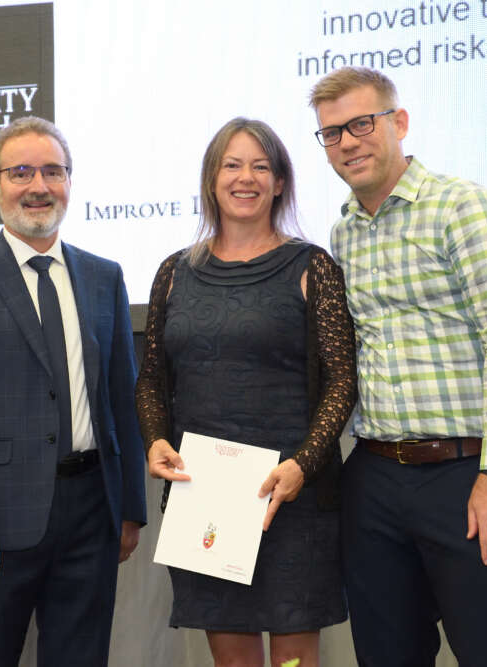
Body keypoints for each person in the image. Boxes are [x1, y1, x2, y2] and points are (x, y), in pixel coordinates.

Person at [309, 66, 487, 666]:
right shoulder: (345, 233)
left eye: (362, 124)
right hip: (375, 477)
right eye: (332, 133)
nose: (348, 142)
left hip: (467, 476)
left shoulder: (466, 209)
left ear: (400, 122)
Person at [0, 116, 147, 667]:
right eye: (20, 172)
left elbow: (122, 399)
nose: (38, 186)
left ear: (69, 182)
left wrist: (129, 508)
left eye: (52, 171)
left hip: (93, 513)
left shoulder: (104, 277)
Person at [135, 117, 357, 667]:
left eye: (261, 166)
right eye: (232, 165)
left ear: (280, 182)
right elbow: (152, 380)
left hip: (289, 493)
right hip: (206, 494)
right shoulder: (173, 273)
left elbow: (342, 380)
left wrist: (304, 464)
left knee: (294, 660)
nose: (246, 177)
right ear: (212, 179)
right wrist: (155, 440)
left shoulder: (313, 266)